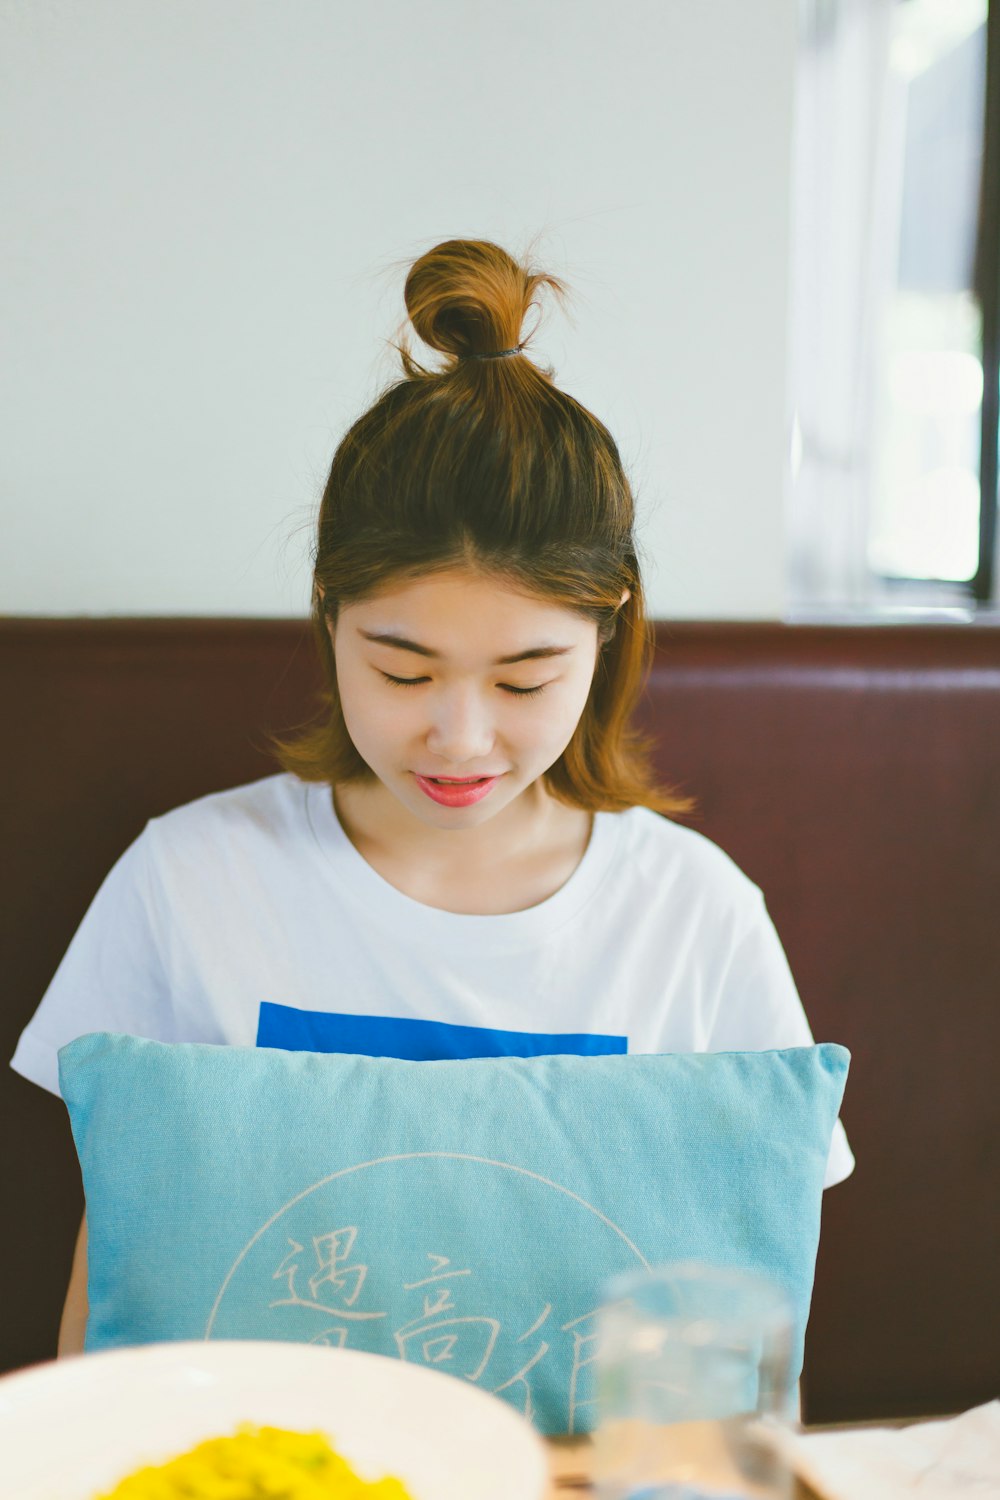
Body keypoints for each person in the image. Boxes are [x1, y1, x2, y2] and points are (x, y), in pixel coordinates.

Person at [9, 237, 854, 1360]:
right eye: (402, 671)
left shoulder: (692, 916)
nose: (460, 736)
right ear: (326, 612)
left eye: (524, 678)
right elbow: (116, 1277)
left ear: (607, 630)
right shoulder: (188, 877)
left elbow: (743, 1323)